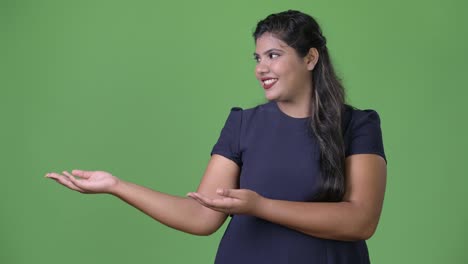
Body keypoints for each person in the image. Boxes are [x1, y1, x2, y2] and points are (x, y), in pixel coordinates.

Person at [45, 10, 387, 264]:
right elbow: (201, 215)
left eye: (273, 55)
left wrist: (260, 206)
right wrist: (116, 185)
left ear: (310, 58)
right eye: (257, 58)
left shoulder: (357, 125)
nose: (260, 68)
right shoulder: (242, 124)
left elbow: (361, 220)